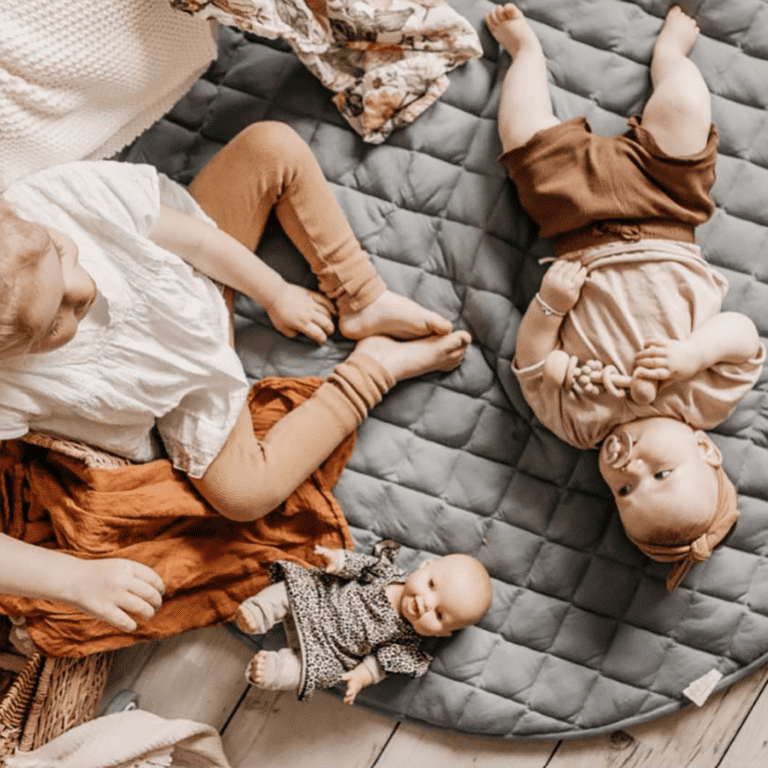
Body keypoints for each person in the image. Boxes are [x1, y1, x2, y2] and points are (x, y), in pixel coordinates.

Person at [0, 121, 472, 632]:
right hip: (182, 394)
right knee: (244, 496)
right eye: (55, 323)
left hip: (194, 276)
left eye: (61, 254)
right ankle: (374, 368)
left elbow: (199, 243)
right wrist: (74, 580)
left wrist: (274, 292)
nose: (84, 288)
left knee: (272, 147)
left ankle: (364, 299)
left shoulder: (56, 200)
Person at [486, 4, 765, 589]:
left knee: (520, 134)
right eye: (661, 473)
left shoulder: (582, 425)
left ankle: (527, 54)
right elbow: (743, 337)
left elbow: (532, 366)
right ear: (704, 450)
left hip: (573, 221)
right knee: (685, 108)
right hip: (669, 206)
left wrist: (550, 308)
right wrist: (694, 353)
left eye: (624, 490)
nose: (630, 467)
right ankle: (670, 57)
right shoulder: (706, 402)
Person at [234, 540, 493, 703]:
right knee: (293, 588)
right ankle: (259, 612)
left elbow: (379, 665)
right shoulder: (388, 573)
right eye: (431, 585)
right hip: (321, 599)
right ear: (425, 566)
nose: (426, 602)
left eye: (438, 615)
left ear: (442, 634)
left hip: (332, 652)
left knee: (310, 672)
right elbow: (361, 566)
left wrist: (361, 677)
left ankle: (273, 671)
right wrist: (338, 560)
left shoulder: (405, 641)